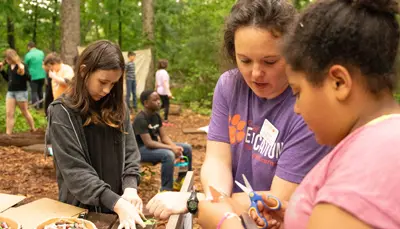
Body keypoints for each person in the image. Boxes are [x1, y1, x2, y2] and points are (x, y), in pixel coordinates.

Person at [198, 0, 400, 228]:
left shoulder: (365, 171)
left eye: (298, 91)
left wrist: (226, 223)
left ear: (339, 82)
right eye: (245, 60)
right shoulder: (373, 146)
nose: (296, 108)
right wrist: (297, 217)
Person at [146, 0, 331, 224]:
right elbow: (217, 160)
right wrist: (218, 200)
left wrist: (194, 202)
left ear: (294, 54)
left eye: (270, 62)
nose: (255, 73)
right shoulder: (229, 86)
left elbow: (276, 203)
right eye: (244, 60)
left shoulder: (306, 107)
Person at [46, 40, 145, 229]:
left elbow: (131, 152)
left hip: (116, 208)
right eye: (102, 82)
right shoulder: (61, 112)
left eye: (113, 84)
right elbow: (76, 171)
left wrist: (130, 188)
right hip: (79, 213)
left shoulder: (117, 107)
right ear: (84, 71)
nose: (107, 90)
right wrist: (116, 202)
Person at [133, 90, 193, 191]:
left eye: (158, 99)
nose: (158, 102)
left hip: (153, 147)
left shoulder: (156, 116)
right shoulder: (140, 119)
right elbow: (149, 143)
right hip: (140, 150)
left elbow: (164, 137)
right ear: (146, 103)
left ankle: (180, 180)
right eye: (155, 100)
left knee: (186, 148)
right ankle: (166, 189)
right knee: (168, 155)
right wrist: (171, 148)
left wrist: (174, 147)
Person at [0, 49, 36, 135]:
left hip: (21, 92)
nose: (6, 60)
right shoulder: (9, 67)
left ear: (12, 58)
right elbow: (8, 79)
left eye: (8, 58)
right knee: (9, 113)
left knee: (24, 112)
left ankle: (33, 129)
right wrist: (1, 71)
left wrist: (23, 72)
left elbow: (29, 78)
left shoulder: (22, 65)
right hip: (11, 92)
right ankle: (8, 134)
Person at [24, 41, 46, 109]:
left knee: (34, 91)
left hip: (33, 76)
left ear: (29, 47)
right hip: (42, 75)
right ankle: (41, 106)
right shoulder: (41, 53)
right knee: (40, 90)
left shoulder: (28, 55)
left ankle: (35, 107)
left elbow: (25, 65)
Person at [155, 59, 173, 126]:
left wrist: (156, 90)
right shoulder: (164, 72)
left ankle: (155, 112)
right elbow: (165, 83)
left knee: (162, 104)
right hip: (164, 91)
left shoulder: (157, 72)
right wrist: (169, 92)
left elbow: (156, 83)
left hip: (159, 90)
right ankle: (165, 119)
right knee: (166, 105)